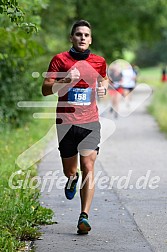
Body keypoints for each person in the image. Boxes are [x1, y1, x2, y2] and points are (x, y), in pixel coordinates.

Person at [42, 20, 108, 235]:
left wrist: (103, 88)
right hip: (66, 124)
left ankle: (84, 216)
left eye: (86, 35)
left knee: (88, 166)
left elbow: (104, 79)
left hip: (90, 122)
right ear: (71, 37)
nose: (82, 38)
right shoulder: (59, 60)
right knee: (70, 170)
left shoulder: (98, 62)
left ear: (91, 39)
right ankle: (72, 179)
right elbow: (45, 90)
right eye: (78, 34)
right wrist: (66, 80)